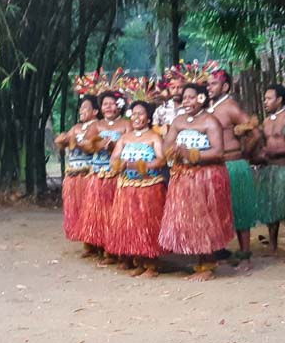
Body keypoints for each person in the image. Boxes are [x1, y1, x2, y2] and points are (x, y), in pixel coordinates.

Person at [158, 82, 233, 281]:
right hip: (184, 176)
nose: (187, 101)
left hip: (206, 176)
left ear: (202, 98)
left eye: (191, 97)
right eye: (184, 98)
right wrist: (172, 151)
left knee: (206, 219)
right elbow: (166, 146)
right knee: (191, 220)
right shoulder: (178, 121)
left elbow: (218, 151)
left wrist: (190, 153)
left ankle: (208, 264)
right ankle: (199, 261)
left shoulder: (210, 121)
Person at [206, 69, 262, 271]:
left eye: (213, 83)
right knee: (216, 210)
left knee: (240, 209)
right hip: (216, 165)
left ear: (225, 87)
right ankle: (220, 252)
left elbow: (255, 133)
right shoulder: (209, 107)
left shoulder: (230, 107)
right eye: (208, 83)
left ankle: (245, 255)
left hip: (233, 165)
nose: (209, 87)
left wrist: (244, 153)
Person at [106, 101, 167, 277]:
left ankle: (151, 264)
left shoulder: (154, 137)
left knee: (148, 224)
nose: (136, 117)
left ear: (148, 117)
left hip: (149, 186)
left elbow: (161, 160)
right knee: (132, 225)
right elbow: (114, 159)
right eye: (134, 114)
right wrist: (119, 164)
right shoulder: (125, 138)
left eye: (140, 114)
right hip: (127, 186)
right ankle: (139, 261)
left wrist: (142, 166)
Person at [77, 90, 131, 265]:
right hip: (98, 174)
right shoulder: (97, 125)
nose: (107, 107)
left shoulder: (126, 124)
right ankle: (102, 246)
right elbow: (84, 144)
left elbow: (132, 144)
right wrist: (96, 144)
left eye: (111, 103)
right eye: (104, 104)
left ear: (119, 105)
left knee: (116, 213)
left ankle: (118, 250)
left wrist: (115, 147)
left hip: (117, 174)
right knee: (99, 213)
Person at [255, 83, 285, 261]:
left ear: (279, 100)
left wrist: (276, 152)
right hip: (269, 170)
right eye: (265, 98)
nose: (265, 101)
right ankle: (273, 247)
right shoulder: (266, 121)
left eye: (269, 98)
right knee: (271, 210)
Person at [55, 95, 101, 255]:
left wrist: (75, 142)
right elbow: (64, 142)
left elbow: (90, 145)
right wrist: (61, 141)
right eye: (80, 107)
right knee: (78, 208)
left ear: (95, 111)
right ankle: (87, 243)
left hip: (87, 174)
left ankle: (98, 243)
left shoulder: (97, 125)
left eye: (85, 107)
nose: (81, 110)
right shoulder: (76, 127)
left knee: (91, 210)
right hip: (73, 174)